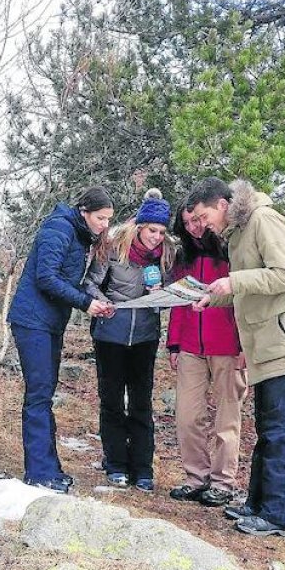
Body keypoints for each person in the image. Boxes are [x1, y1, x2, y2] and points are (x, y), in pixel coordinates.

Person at [187, 177, 285, 538]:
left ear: (221, 205)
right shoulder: (237, 233)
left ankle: (281, 516)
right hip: (263, 346)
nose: (201, 226)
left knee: (280, 432)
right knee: (267, 428)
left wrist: (234, 282)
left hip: (284, 343)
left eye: (203, 217)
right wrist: (213, 297)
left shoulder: (264, 219)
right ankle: (259, 504)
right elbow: (249, 289)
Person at [8, 187, 116, 493]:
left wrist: (95, 300)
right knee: (39, 395)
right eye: (100, 218)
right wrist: (85, 303)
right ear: (84, 211)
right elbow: (46, 277)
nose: (105, 224)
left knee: (45, 393)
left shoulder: (80, 235)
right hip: (32, 321)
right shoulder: (59, 228)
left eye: (108, 219)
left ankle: (49, 467)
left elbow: (68, 281)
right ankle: (39, 472)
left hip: (50, 323)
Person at [83, 188, 175, 492]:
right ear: (139, 226)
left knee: (141, 402)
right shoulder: (113, 246)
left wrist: (159, 295)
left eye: (161, 232)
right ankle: (116, 464)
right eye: (152, 230)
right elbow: (90, 284)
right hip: (111, 333)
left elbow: (171, 296)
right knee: (111, 400)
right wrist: (103, 303)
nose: (156, 237)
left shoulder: (167, 254)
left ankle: (143, 469)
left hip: (145, 336)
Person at [166, 206, 247, 508]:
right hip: (190, 346)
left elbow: (245, 300)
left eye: (197, 220)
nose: (193, 227)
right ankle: (195, 478)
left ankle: (223, 483)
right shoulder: (183, 257)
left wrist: (245, 345)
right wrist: (174, 343)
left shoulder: (232, 250)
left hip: (228, 347)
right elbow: (178, 300)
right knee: (188, 416)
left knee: (227, 419)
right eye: (186, 223)